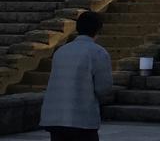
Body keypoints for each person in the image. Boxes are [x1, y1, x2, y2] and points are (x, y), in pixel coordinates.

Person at [40, 11, 113, 141]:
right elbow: (103, 88)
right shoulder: (98, 53)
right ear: (99, 29)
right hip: (81, 118)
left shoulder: (61, 51)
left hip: (55, 116)